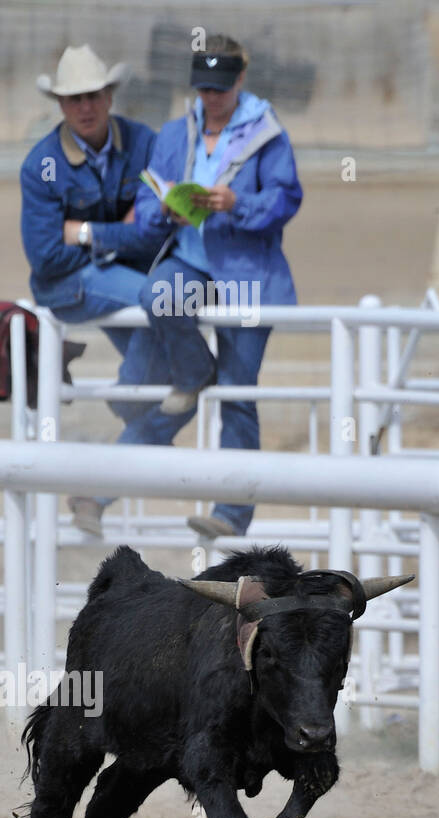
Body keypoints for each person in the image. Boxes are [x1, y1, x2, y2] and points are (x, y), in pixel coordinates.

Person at [129, 35, 302, 540]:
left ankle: (232, 509)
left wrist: (235, 204)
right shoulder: (176, 133)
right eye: (204, 89)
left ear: (240, 80)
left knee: (239, 394)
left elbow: (286, 199)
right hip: (192, 262)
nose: (212, 97)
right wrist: (162, 207)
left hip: (248, 275)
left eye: (220, 88)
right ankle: (193, 367)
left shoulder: (267, 133)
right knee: (156, 295)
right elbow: (145, 206)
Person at [19, 45, 167, 536]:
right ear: (61, 105)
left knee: (177, 392)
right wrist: (116, 236)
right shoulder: (41, 163)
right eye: (74, 98)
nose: (85, 107)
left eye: (92, 95)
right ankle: (131, 399)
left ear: (109, 95)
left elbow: (153, 229)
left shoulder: (143, 142)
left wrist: (79, 231)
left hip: (111, 277)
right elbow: (44, 255)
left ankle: (93, 496)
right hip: (68, 287)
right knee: (158, 306)